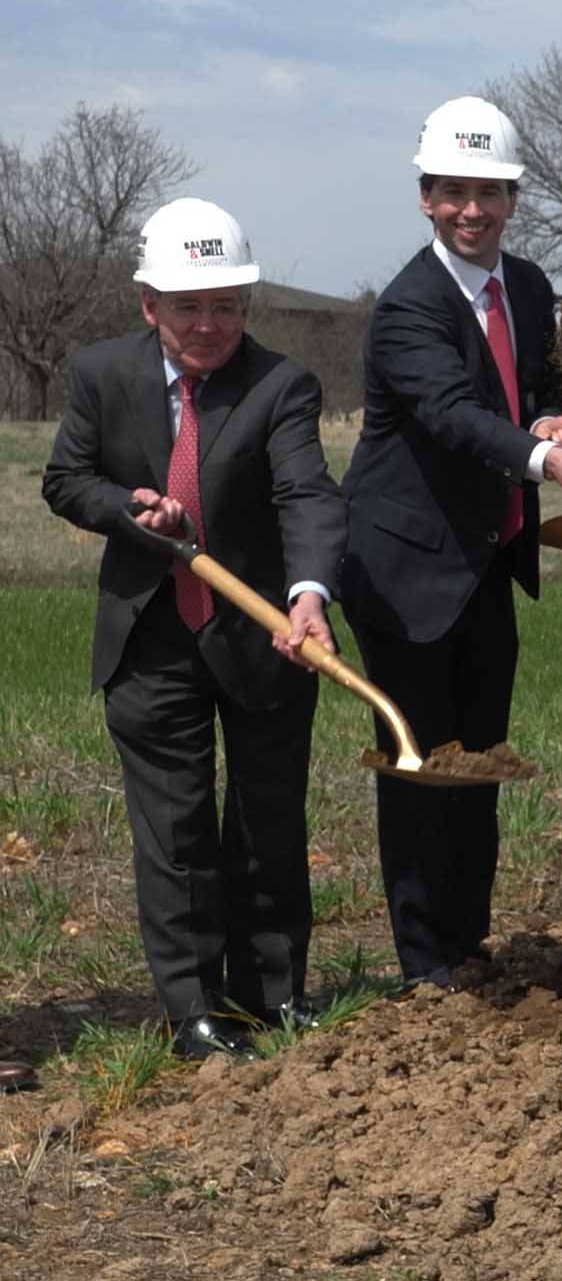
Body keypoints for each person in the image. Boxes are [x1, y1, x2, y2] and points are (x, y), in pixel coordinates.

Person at [40, 199, 345, 1059]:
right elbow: (66, 479)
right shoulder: (102, 374)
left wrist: (311, 593)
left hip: (263, 633)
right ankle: (194, 1012)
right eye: (189, 306)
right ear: (150, 304)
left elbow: (306, 494)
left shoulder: (282, 385)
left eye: (227, 305)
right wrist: (127, 509)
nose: (209, 325)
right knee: (174, 833)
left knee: (270, 822)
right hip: (151, 634)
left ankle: (271, 997)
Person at [336, 96, 562, 986]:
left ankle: (468, 941)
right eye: (454, 192)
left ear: (513, 197)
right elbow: (450, 415)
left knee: (478, 756)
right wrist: (541, 459)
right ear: (425, 198)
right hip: (401, 565)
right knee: (419, 764)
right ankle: (424, 962)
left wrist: (552, 418)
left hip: (483, 560)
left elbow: (532, 384)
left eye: (489, 192)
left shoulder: (526, 287)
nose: (472, 210)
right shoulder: (408, 307)